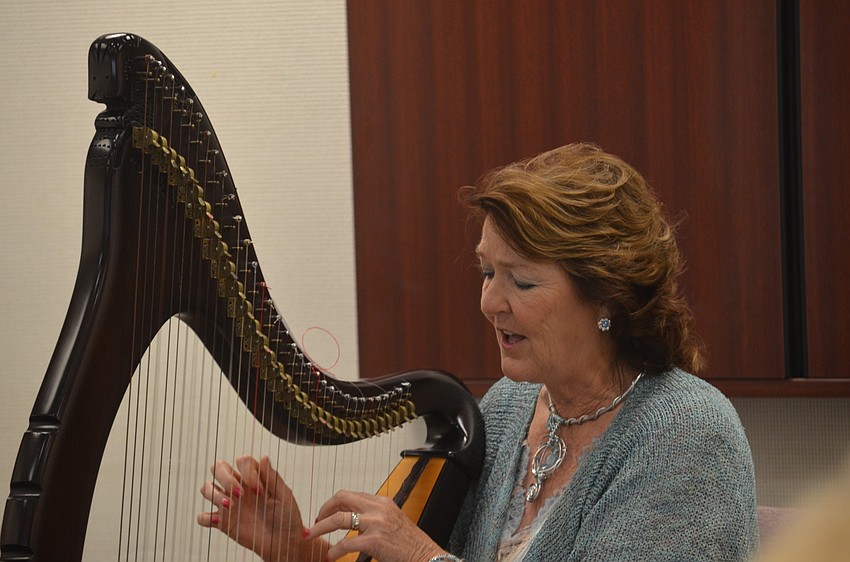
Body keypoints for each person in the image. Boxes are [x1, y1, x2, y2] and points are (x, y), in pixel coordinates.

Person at [197, 143, 759, 561]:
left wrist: (423, 556)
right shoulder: (509, 406)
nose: (491, 302)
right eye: (487, 271)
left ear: (605, 292)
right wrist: (297, 552)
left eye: (522, 282)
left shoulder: (688, 434)